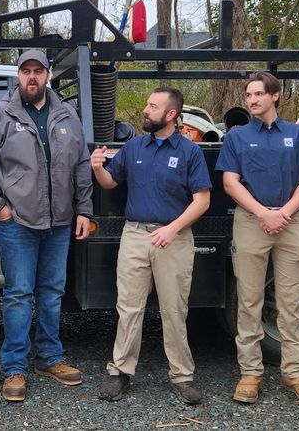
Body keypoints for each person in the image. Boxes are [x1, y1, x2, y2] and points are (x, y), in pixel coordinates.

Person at [0, 49, 93, 402]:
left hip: (60, 223)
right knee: (19, 295)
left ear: (48, 75)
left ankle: (49, 357)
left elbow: (82, 167)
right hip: (18, 223)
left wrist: (84, 210)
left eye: (38, 71)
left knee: (52, 292)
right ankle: (14, 367)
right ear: (18, 76)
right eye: (26, 71)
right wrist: (1, 210)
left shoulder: (67, 115)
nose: (32, 77)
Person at [91, 87, 211, 406]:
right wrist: (99, 167)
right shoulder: (133, 148)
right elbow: (110, 183)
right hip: (134, 235)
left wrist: (172, 228)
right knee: (128, 308)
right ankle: (120, 372)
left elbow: (202, 200)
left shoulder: (189, 151)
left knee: (174, 310)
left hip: (174, 237)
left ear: (170, 115)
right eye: (147, 104)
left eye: (153, 106)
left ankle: (182, 376)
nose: (145, 110)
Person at [216, 72, 299, 405]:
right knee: (249, 301)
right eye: (248, 95)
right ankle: (250, 374)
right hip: (251, 222)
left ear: (275, 96)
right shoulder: (237, 138)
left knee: (291, 302)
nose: (252, 100)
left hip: (291, 222)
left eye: (258, 94)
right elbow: (230, 183)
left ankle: (296, 374)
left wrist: (283, 213)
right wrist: (263, 214)